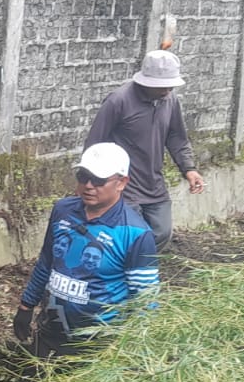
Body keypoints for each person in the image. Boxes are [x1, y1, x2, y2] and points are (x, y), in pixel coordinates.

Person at [11, 143, 159, 356]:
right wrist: (26, 306)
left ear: (121, 183)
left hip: (99, 344)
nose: (88, 185)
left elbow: (145, 298)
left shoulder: (135, 233)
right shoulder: (63, 211)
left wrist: (136, 350)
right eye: (83, 176)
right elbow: (46, 262)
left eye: (98, 180)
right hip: (52, 329)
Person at [84, 49, 205, 251]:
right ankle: (121, 275)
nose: (167, 90)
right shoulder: (119, 101)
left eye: (170, 85)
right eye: (162, 86)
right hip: (122, 184)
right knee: (129, 234)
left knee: (161, 232)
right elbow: (95, 144)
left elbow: (176, 137)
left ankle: (137, 268)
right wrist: (95, 183)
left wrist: (189, 169)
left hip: (153, 182)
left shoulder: (170, 100)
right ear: (145, 82)